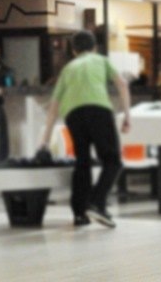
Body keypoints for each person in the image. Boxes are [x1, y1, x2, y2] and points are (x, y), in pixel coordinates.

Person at [38, 30, 131, 228]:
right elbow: (122, 84)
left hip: (73, 114)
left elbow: (53, 106)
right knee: (112, 160)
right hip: (98, 109)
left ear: (74, 51)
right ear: (95, 47)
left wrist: (44, 141)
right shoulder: (101, 60)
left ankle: (80, 214)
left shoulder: (68, 68)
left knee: (83, 161)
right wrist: (127, 115)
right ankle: (97, 203)